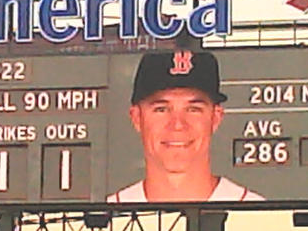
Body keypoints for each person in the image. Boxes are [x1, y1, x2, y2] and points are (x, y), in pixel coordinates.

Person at [107, 49, 263, 203]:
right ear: (137, 118)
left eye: (193, 109)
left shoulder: (263, 217)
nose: (178, 125)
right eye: (161, 109)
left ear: (215, 118)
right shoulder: (104, 219)